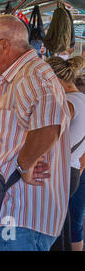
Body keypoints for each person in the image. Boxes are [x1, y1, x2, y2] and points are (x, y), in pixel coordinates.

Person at [0, 15, 71, 251]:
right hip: (10, 209)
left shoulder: (33, 77)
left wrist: (24, 167)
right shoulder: (20, 76)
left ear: (4, 45)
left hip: (21, 216)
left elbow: (48, 129)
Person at [46, 56, 85, 251]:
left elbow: (49, 136)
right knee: (62, 226)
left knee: (52, 230)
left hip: (60, 173)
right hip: (73, 171)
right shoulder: (82, 99)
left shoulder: (67, 103)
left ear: (56, 79)